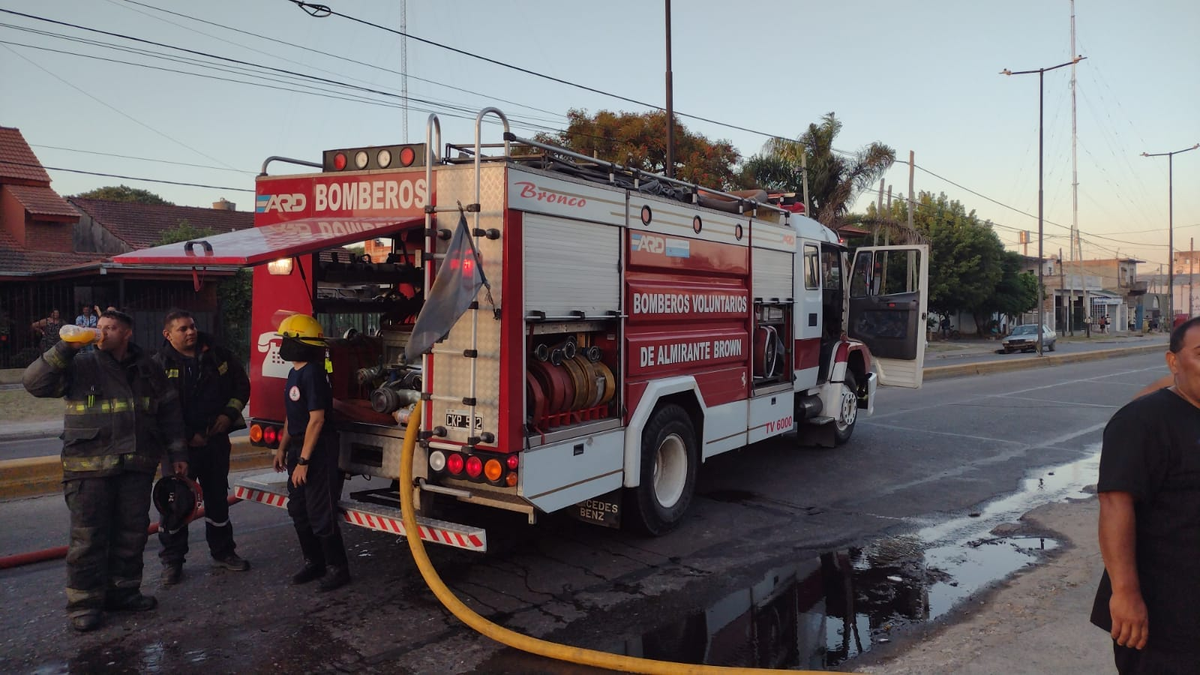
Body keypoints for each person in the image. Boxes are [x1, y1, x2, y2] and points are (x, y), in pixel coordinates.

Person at [22, 310, 187, 632]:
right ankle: (83, 604)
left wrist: (177, 452)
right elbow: (34, 383)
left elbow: (169, 411)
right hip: (88, 469)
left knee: (132, 533)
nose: (102, 332)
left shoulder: (148, 367)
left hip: (135, 466)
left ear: (127, 333)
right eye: (99, 327)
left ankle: (123, 592)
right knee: (88, 538)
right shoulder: (80, 363)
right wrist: (65, 347)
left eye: (110, 328)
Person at [1091, 315, 1200, 673]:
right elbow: (1114, 502)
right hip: (1164, 618)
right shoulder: (1142, 422)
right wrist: (1125, 593)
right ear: (1174, 362)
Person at [153, 309, 252, 585]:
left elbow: (241, 387)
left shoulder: (218, 356)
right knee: (176, 506)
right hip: (178, 449)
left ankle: (223, 552)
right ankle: (172, 562)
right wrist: (186, 436)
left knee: (217, 500)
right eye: (183, 329)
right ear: (168, 334)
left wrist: (227, 416)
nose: (190, 332)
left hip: (215, 443)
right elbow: (157, 409)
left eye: (192, 326)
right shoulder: (159, 365)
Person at [270, 314, 350, 592]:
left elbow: (316, 420)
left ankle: (337, 568)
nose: (282, 343)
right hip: (297, 448)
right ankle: (313, 562)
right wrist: (282, 448)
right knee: (298, 509)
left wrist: (304, 461)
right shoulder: (294, 372)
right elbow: (293, 416)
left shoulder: (313, 373)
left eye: (286, 339)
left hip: (317, 450)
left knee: (320, 510)